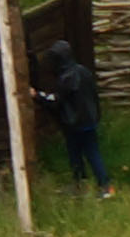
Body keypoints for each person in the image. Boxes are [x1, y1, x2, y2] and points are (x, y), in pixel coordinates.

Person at [35, 37, 112, 198]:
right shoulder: (83, 71)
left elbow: (56, 101)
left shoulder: (66, 78)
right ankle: (103, 186)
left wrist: (37, 96)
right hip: (90, 120)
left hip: (74, 124)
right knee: (92, 152)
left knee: (76, 154)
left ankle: (83, 185)